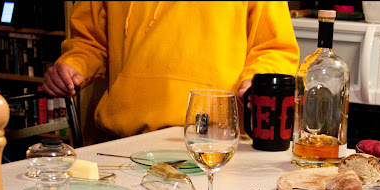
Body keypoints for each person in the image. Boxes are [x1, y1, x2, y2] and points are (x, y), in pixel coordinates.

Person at [43, 1, 300, 139]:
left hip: (215, 140)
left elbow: (274, 48)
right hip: (126, 143)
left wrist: (258, 81)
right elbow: (90, 41)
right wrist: (75, 64)